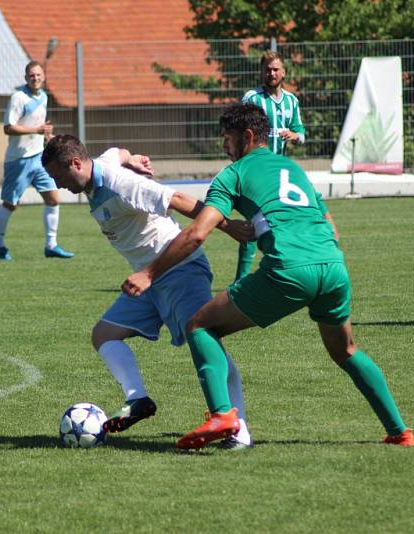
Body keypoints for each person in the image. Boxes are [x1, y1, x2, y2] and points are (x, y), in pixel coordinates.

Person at [123, 103, 414, 450]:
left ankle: (222, 414)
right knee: (346, 350)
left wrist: (149, 272)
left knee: (200, 326)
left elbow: (198, 233)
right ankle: (400, 432)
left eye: (228, 139)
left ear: (247, 137)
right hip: (333, 267)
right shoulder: (293, 169)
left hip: (289, 270)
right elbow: (332, 228)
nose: (224, 146)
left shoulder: (233, 175)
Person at [42, 134, 255, 449]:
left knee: (206, 344)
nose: (58, 185)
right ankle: (138, 399)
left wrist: (228, 226)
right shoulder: (103, 165)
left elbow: (179, 200)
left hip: (179, 270)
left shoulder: (120, 184)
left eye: (59, 177)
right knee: (104, 334)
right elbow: (117, 151)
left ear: (76, 163)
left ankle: (239, 431)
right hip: (147, 280)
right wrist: (133, 158)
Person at [236, 50, 309, 281]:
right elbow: (238, 130)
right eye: (267, 69)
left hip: (280, 171)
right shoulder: (251, 98)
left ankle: (281, 269)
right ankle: (241, 279)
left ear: (284, 72)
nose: (271, 73)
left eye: (276, 69)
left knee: (281, 220)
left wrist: (295, 136)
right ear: (261, 72)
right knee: (253, 223)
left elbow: (302, 132)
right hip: (255, 170)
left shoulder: (291, 101)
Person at [0, 61, 73, 261]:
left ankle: (51, 245)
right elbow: (8, 127)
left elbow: (39, 125)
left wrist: (46, 136)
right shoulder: (18, 98)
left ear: (43, 77)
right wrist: (36, 130)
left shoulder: (43, 96)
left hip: (39, 157)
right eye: (31, 75)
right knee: (10, 204)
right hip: (18, 160)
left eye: (38, 75)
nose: (35, 78)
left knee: (53, 199)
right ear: (26, 78)